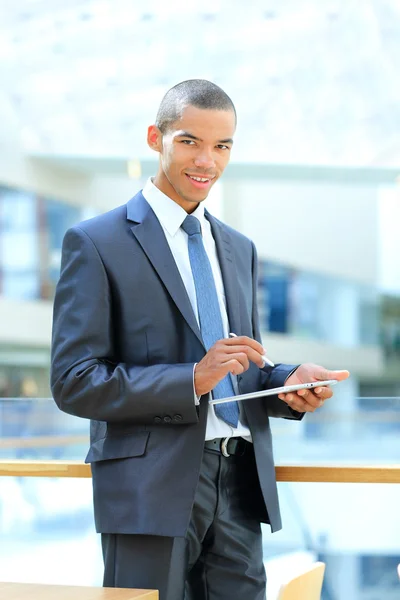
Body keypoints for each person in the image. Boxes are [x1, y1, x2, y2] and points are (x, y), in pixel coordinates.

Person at [51, 79, 349, 600]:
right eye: (190, 141)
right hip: (149, 489)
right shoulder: (96, 243)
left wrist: (285, 381)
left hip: (240, 482)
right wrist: (191, 378)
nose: (206, 160)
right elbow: (75, 382)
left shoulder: (239, 248)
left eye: (222, 146)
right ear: (155, 137)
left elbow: (241, 361)